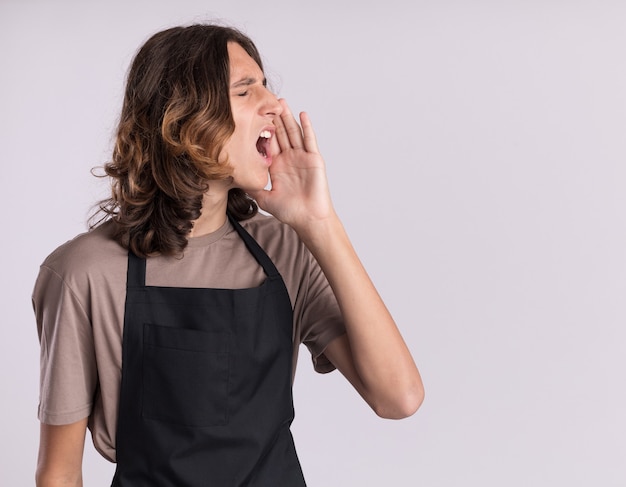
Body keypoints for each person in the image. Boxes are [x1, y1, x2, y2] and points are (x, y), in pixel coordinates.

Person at [32, 23, 424, 487]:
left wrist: (320, 224)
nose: (274, 105)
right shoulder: (83, 273)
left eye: (266, 85)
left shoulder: (287, 250)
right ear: (183, 122)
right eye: (245, 89)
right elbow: (58, 474)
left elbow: (398, 398)